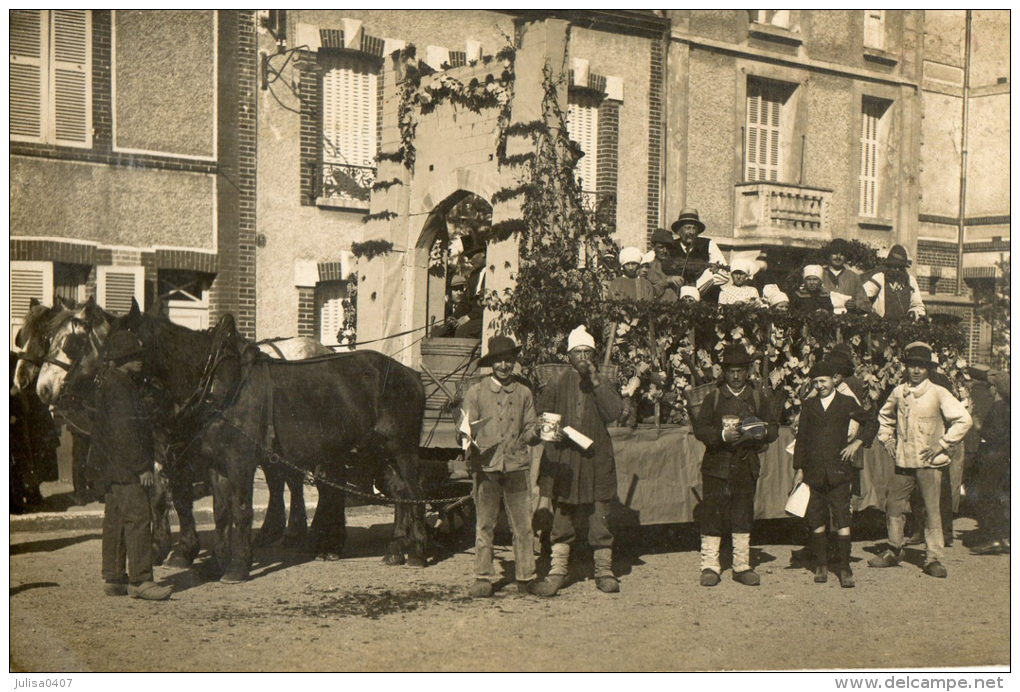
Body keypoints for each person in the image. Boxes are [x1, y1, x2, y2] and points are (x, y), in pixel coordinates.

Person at [532, 325, 625, 597]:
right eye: (578, 352)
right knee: (562, 516)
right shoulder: (558, 382)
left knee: (599, 518)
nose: (583, 357)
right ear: (569, 356)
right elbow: (542, 415)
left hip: (596, 457)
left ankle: (604, 570)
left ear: (594, 355)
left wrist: (596, 383)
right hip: (566, 457)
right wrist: (552, 432)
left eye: (588, 352)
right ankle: (558, 571)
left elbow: (614, 412)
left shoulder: (602, 383)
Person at [869, 342, 972, 578]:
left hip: (930, 462)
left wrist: (943, 444)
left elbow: (963, 420)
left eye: (921, 367)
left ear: (928, 369)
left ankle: (933, 557)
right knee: (893, 505)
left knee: (931, 509)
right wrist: (887, 440)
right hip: (903, 462)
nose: (915, 371)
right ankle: (894, 549)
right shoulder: (899, 392)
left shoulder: (938, 393)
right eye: (912, 366)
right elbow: (884, 417)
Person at [88, 331, 173, 600]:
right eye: (135, 357)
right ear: (123, 358)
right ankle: (141, 580)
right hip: (127, 468)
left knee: (115, 520)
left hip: (112, 467)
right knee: (138, 519)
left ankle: (113, 578)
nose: (141, 362)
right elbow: (125, 432)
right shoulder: (121, 387)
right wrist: (142, 467)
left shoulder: (114, 382)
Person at [459, 336, 541, 597]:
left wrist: (535, 434)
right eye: (499, 360)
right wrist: (466, 439)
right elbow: (465, 427)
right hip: (488, 468)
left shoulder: (524, 392)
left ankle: (526, 577)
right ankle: (483, 577)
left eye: (509, 360)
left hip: (517, 466)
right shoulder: (476, 392)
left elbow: (530, 426)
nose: (505, 365)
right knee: (485, 524)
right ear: (491, 363)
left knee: (523, 526)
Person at [693, 344, 778, 586]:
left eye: (741, 371)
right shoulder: (715, 397)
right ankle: (710, 565)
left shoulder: (758, 397)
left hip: (745, 465)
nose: (736, 376)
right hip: (717, 466)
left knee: (743, 513)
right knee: (713, 513)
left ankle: (741, 565)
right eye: (731, 371)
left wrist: (758, 432)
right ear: (724, 372)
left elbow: (773, 428)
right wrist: (721, 436)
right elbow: (700, 429)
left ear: (748, 371)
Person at [793, 360, 876, 588]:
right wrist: (799, 468)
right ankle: (821, 564)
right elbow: (802, 440)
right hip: (814, 471)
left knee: (842, 517)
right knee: (817, 517)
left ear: (834, 380)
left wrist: (857, 443)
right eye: (816, 382)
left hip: (839, 471)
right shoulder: (809, 406)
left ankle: (845, 567)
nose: (820, 386)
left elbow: (871, 422)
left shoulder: (846, 403)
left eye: (824, 381)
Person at [969, 369, 1010, 555]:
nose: (989, 390)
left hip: (993, 459)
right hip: (1002, 458)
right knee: (999, 499)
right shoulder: (1008, 406)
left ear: (996, 389)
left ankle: (994, 539)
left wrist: (977, 425)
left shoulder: (999, 407)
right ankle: (1004, 538)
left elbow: (994, 435)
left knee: (987, 497)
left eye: (990, 387)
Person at [669, 208, 728, 302]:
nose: (691, 232)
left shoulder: (708, 244)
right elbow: (651, 265)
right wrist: (669, 278)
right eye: (688, 228)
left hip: (705, 299)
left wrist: (698, 287)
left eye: (694, 228)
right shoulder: (670, 246)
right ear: (679, 230)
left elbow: (724, 274)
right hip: (675, 299)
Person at [862, 245, 926, 320]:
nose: (897, 270)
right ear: (888, 266)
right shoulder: (879, 278)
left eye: (900, 267)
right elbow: (862, 296)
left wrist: (914, 313)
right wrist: (870, 313)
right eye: (894, 266)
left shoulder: (910, 281)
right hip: (881, 326)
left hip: (904, 326)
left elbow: (918, 305)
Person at [820, 239, 872, 314]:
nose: (838, 257)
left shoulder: (853, 277)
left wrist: (855, 305)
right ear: (828, 255)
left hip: (846, 320)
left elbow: (866, 304)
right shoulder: (820, 273)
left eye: (842, 254)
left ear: (846, 257)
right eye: (834, 253)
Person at [454, 241, 486, 338]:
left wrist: (469, 317)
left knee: (462, 331)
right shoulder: (474, 275)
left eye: (472, 255)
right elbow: (465, 302)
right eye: (468, 257)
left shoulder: (493, 273)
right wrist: (454, 317)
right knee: (445, 330)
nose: (469, 261)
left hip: (483, 316)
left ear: (483, 254)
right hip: (473, 317)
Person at [646, 229, 681, 303]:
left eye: (668, 247)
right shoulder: (648, 268)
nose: (665, 251)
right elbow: (647, 293)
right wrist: (666, 281)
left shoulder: (677, 267)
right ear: (653, 247)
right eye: (660, 247)